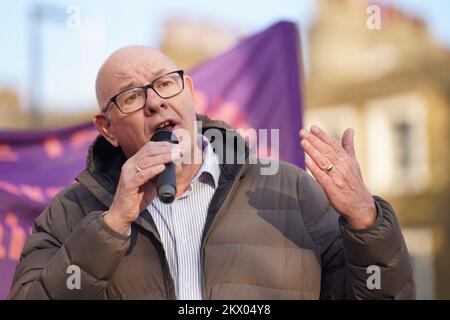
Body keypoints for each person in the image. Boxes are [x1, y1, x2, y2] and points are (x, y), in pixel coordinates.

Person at [8, 46, 415, 300]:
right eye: (131, 96)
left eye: (165, 84)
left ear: (189, 91)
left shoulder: (289, 190)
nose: (154, 104)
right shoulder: (70, 213)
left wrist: (366, 221)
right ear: (107, 128)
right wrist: (112, 225)